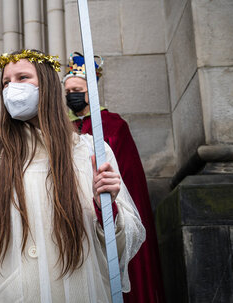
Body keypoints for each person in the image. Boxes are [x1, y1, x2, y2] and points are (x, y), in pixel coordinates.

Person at [0, 50, 145, 302]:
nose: (12, 88)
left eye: (22, 78)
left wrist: (106, 208)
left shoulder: (91, 151)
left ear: (48, 86)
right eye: (6, 82)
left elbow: (118, 252)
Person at [63, 52, 165, 303]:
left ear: (91, 92)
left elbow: (129, 180)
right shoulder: (63, 130)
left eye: (77, 89)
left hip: (108, 211)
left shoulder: (113, 126)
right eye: (67, 91)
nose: (71, 95)